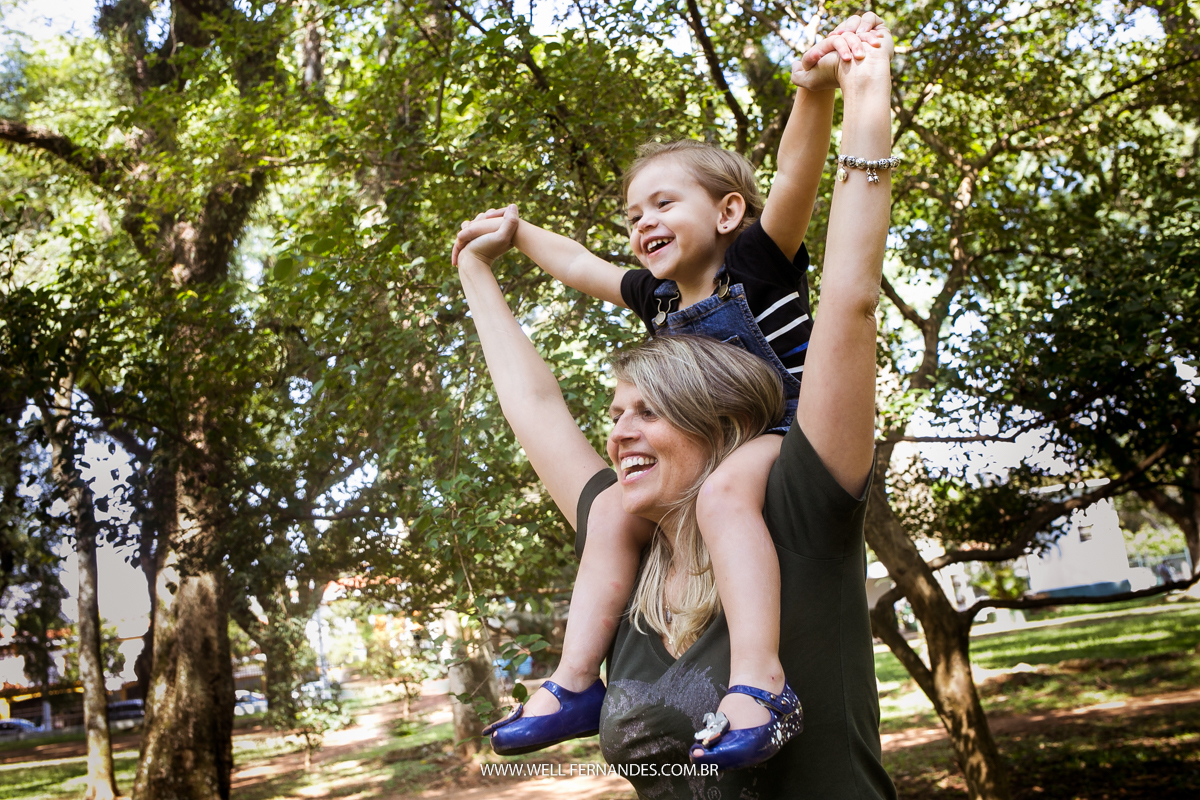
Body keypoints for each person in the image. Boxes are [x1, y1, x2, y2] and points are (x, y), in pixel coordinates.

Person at [453, 15, 897, 796]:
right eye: (633, 216)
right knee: (610, 517)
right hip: (723, 459)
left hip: (778, 432)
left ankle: (759, 680)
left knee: (726, 491)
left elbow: (797, 175)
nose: (644, 224)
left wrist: (819, 93)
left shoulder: (757, 263)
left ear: (727, 212)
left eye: (663, 204)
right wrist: (514, 239)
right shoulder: (657, 301)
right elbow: (579, 271)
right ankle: (575, 678)